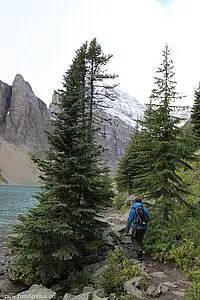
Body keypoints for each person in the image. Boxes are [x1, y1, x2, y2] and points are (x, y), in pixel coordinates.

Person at [125, 196, 150, 261]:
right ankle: (140, 256)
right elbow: (148, 218)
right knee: (140, 239)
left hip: (136, 227)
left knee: (133, 238)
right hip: (144, 227)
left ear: (134, 201)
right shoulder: (144, 208)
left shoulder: (133, 209)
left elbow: (130, 220)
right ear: (141, 202)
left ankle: (138, 249)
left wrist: (127, 229)